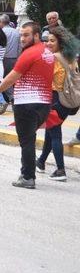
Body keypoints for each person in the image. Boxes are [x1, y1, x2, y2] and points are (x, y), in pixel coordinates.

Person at [0, 22, 55, 189]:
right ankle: (28, 173)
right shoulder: (47, 52)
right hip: (43, 103)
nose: (22, 38)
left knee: (26, 141)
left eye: (26, 35)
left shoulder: (29, 54)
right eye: (21, 35)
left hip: (27, 103)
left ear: (36, 35)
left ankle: (27, 176)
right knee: (30, 139)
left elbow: (12, 76)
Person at [36, 27, 80, 181]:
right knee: (51, 131)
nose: (48, 43)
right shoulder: (70, 57)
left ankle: (60, 169)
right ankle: (41, 162)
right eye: (47, 40)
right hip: (68, 102)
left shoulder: (53, 57)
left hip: (56, 100)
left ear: (60, 42)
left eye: (52, 40)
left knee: (55, 134)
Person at [0, 14, 20, 105]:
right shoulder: (16, 32)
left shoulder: (1, 32)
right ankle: (11, 97)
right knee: (10, 79)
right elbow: (20, 47)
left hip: (3, 58)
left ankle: (9, 97)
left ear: (0, 22)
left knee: (1, 79)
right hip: (14, 59)